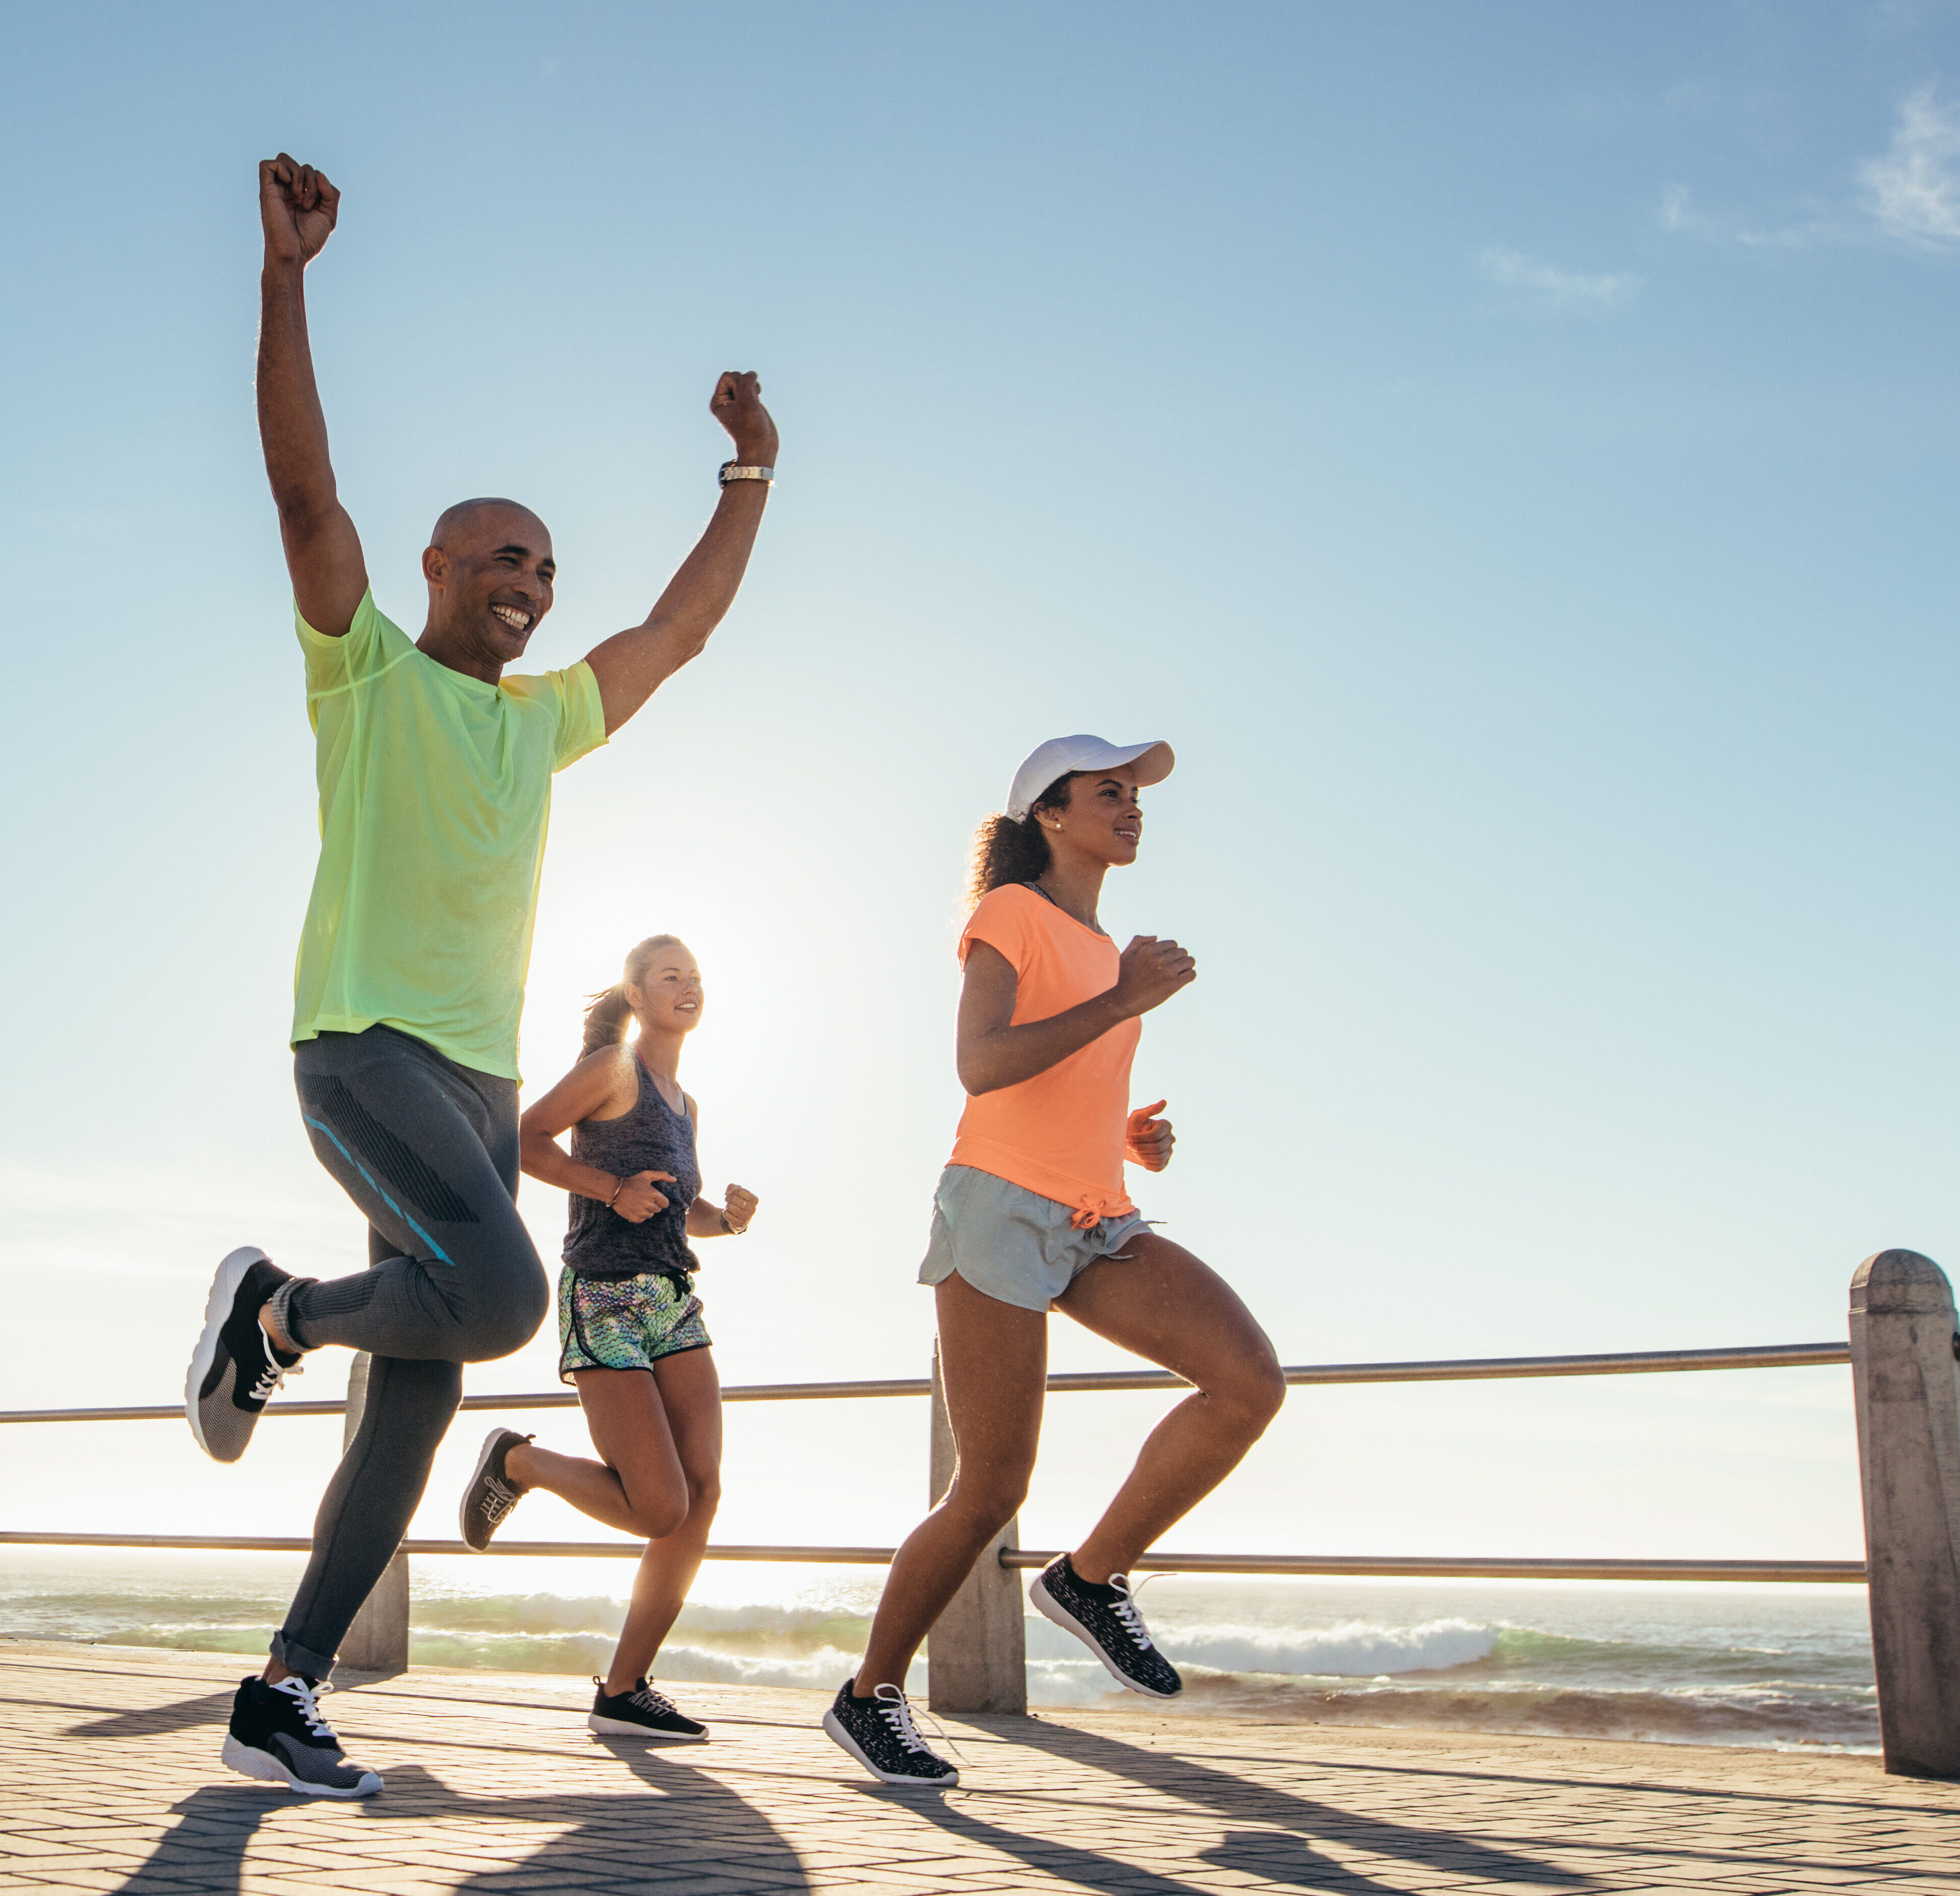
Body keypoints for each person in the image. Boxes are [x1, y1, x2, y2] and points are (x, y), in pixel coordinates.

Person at [182, 151, 782, 1800]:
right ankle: (274, 1309)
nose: (530, 583)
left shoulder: (542, 723)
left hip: (472, 1083)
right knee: (508, 1297)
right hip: (359, 1054)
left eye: (546, 571)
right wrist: (285, 278)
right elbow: (305, 494)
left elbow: (677, 635)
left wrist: (746, 475)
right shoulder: (364, 671)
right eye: (503, 557)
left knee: (424, 1391)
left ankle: (283, 1689)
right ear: (440, 568)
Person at [819, 735, 1288, 1790]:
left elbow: (1061, 1078)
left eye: (1136, 794)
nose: (1131, 807)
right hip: (994, 1210)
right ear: (1051, 815)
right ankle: (869, 1695)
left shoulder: (1098, 937)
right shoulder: (1013, 917)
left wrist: (1127, 1134)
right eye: (1109, 791)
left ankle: (1091, 1574)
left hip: (1094, 1213)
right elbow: (981, 1064)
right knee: (988, 1486)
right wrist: (1124, 1000)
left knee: (1248, 1378)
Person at [453, 935, 759, 1743]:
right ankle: (519, 1461)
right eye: (672, 975)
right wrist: (607, 1187)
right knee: (661, 1504)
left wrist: (722, 1219)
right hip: (603, 1296)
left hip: (671, 1302)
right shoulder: (611, 1069)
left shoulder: (687, 1105)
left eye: (697, 974)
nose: (690, 985)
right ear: (637, 990)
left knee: (704, 1492)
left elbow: (671, 1207)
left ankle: (624, 1689)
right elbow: (524, 1139)